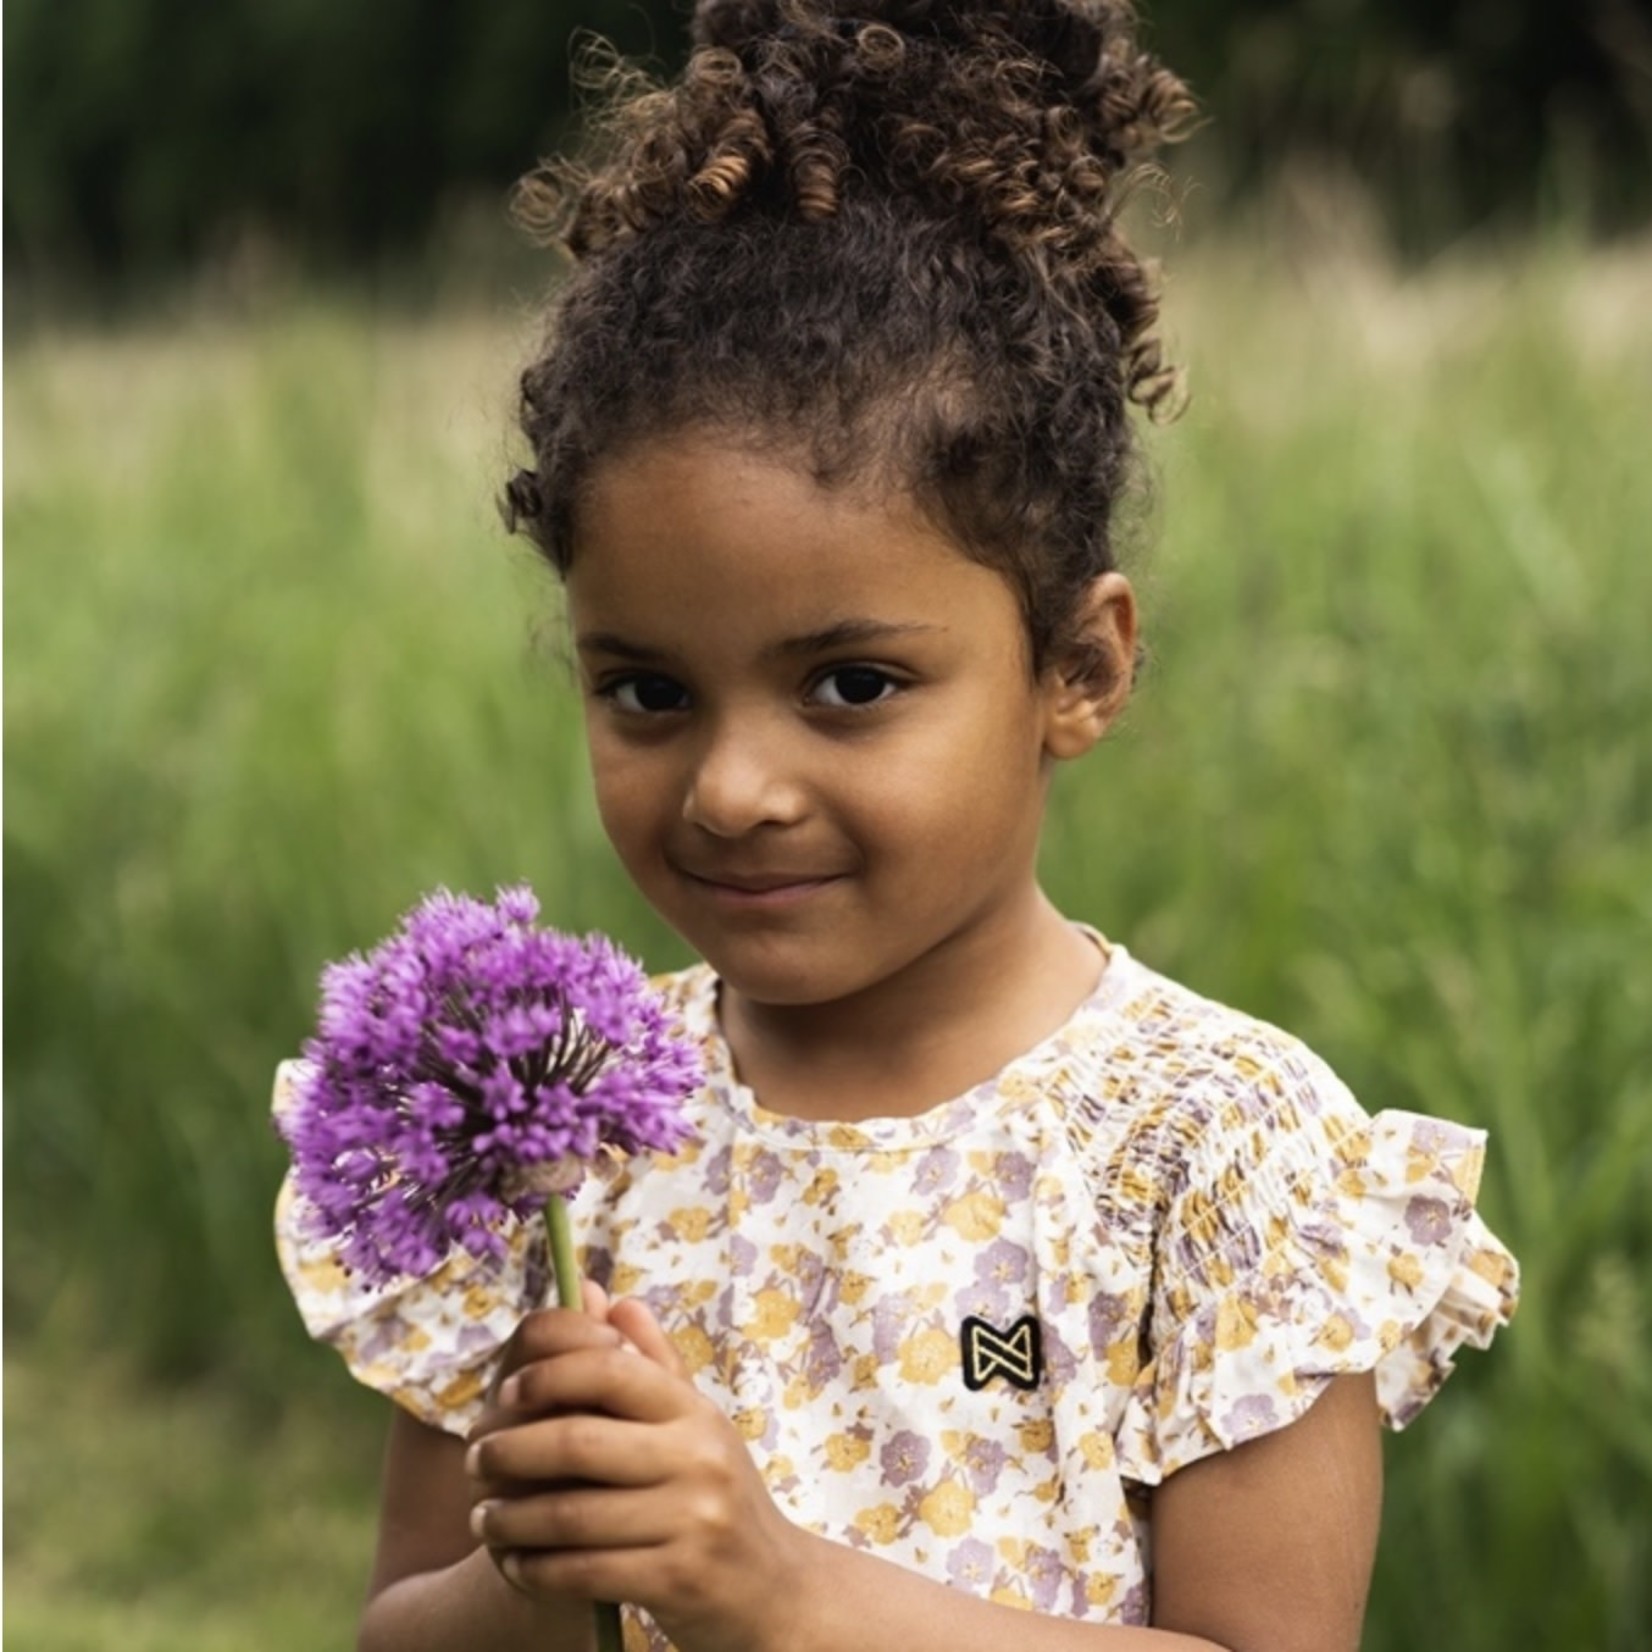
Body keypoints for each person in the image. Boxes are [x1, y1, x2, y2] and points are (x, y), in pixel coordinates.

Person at [273, 3, 1519, 1649]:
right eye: (647, 691)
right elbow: (395, 1636)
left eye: (850, 685)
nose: (731, 786)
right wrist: (533, 1573)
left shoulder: (1212, 1159)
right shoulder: (555, 1139)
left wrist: (775, 1591)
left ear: (1079, 666)